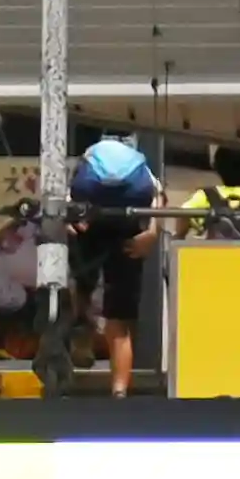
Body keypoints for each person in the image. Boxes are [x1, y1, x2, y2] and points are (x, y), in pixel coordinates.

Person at [62, 133, 164, 395]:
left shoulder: (91, 154)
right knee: (119, 320)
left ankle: (81, 328)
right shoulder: (138, 164)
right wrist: (152, 233)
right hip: (129, 231)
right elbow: (157, 197)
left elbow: (66, 191)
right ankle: (119, 391)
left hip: (89, 226)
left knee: (79, 284)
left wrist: (67, 222)